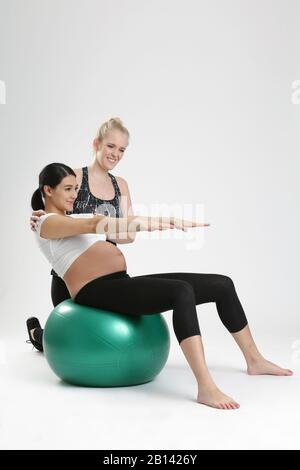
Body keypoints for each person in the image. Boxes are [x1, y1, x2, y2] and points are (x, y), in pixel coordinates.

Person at [28, 120, 293, 410]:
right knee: (181, 292)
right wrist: (46, 213)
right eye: (68, 189)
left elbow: (116, 228)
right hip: (91, 290)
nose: (74, 194)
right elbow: (93, 221)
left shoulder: (93, 199)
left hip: (118, 282)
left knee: (221, 284)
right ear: (48, 190)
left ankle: (255, 360)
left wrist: (164, 222)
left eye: (75, 189)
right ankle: (206, 387)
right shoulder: (46, 221)